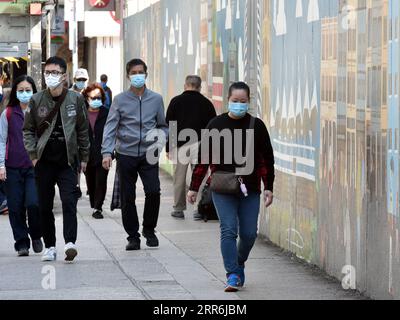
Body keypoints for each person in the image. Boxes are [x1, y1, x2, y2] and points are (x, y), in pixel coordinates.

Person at [187, 82, 275, 292]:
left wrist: (268, 186)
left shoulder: (257, 126)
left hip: (250, 187)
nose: (238, 105)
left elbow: (266, 160)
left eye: (243, 102)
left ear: (249, 102)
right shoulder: (215, 124)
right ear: (228, 100)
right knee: (228, 230)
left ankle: (239, 262)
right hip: (222, 187)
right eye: (235, 101)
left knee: (249, 234)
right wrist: (194, 187)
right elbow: (203, 159)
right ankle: (233, 274)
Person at [23, 56, 90, 263]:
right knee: (44, 206)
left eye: (55, 72)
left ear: (64, 76)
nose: (51, 76)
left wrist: (85, 157)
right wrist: (33, 156)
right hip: (43, 162)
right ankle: (50, 246)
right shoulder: (36, 100)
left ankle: (70, 243)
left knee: (70, 202)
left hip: (67, 161)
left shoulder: (75, 99)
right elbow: (28, 130)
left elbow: (82, 130)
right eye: (48, 72)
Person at [102, 58, 168, 251]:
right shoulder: (120, 100)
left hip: (149, 153)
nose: (138, 75)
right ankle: (133, 236)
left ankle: (149, 229)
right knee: (127, 196)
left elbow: (163, 125)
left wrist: (160, 142)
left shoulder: (156, 99)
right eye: (134, 72)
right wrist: (107, 152)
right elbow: (110, 127)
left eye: (141, 72)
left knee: (153, 191)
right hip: (126, 154)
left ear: (146, 74)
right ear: (128, 75)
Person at [0, 75, 43, 256]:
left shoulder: (40, 112)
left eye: (28, 90)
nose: (24, 94)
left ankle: (35, 234)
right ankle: (21, 242)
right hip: (12, 168)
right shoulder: (8, 114)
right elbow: (2, 141)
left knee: (33, 203)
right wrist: (1, 165)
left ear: (34, 92)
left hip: (34, 168)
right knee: (15, 207)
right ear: (15, 92)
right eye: (21, 90)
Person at [166, 75, 216, 220]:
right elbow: (211, 128)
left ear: (185, 85)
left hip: (181, 146)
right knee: (199, 176)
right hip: (200, 145)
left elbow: (171, 126)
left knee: (179, 178)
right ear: (200, 87)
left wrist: (169, 147)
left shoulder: (175, 102)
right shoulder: (207, 103)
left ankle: (178, 208)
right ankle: (199, 208)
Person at [82, 83, 110, 220]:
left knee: (101, 180)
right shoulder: (82, 113)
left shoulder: (107, 112)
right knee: (90, 181)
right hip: (87, 154)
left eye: (99, 97)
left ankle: (98, 207)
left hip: (103, 152)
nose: (96, 100)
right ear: (87, 98)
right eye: (93, 97)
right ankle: (94, 203)